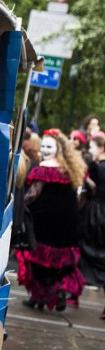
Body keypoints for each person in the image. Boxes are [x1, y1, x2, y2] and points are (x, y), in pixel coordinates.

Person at [16, 131, 86, 311]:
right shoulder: (71, 169)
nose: (45, 150)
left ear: (58, 149)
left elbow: (32, 195)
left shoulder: (44, 167)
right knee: (61, 260)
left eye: (49, 147)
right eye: (44, 146)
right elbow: (86, 189)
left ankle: (38, 298)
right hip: (68, 221)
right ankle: (60, 290)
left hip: (45, 221)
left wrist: (19, 206)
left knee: (38, 259)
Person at [79, 135, 105, 318]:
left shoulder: (97, 167)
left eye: (93, 147)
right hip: (98, 213)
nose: (91, 150)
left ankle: (71, 291)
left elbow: (93, 188)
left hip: (96, 214)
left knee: (85, 250)